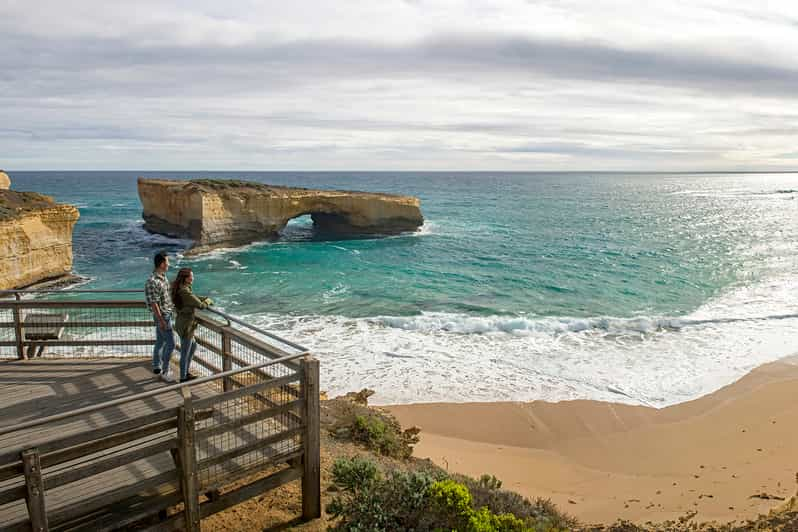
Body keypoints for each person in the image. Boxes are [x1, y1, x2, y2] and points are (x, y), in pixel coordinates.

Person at [171, 267, 212, 382]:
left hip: (182, 323)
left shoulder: (181, 288)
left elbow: (193, 298)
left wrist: (203, 298)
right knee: (185, 352)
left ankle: (186, 372)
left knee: (193, 346)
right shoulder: (184, 291)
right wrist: (208, 301)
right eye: (191, 276)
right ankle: (183, 377)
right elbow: (200, 306)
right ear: (185, 278)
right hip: (186, 326)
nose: (193, 278)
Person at [145, 252, 176, 382]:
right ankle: (165, 370)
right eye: (167, 262)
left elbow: (166, 296)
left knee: (160, 341)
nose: (169, 264)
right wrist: (161, 320)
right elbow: (154, 303)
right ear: (162, 264)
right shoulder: (153, 281)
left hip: (166, 314)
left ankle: (156, 365)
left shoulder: (163, 277)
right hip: (163, 316)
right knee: (171, 343)